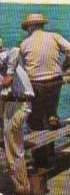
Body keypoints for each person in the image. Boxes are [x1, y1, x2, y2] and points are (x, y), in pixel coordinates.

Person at [19, 13, 70, 169]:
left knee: (35, 121)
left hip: (35, 83)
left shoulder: (25, 43)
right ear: (42, 25)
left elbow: (21, 68)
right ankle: (51, 150)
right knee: (51, 114)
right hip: (54, 81)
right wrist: (65, 66)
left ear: (30, 27)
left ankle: (41, 160)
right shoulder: (54, 36)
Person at [1, 38, 33, 194]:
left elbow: (15, 50)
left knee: (14, 149)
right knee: (13, 147)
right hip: (12, 104)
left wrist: (9, 74)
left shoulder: (6, 57)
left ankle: (21, 188)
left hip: (17, 104)